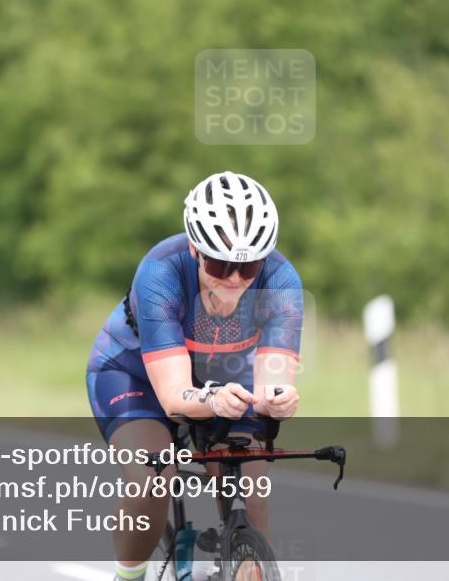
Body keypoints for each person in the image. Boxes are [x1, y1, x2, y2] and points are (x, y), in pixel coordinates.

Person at [86, 171, 303, 581]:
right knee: (152, 479)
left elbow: (275, 377)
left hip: (223, 376)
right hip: (135, 378)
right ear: (195, 250)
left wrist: (279, 397)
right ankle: (128, 576)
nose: (236, 279)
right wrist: (212, 401)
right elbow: (173, 396)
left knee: (253, 492)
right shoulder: (161, 272)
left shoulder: (281, 280)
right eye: (221, 264)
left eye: (249, 265)